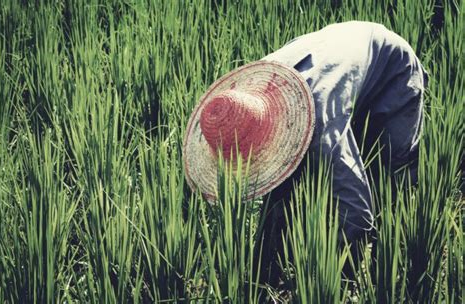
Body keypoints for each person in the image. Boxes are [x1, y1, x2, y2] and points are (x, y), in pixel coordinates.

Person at [183, 21, 428, 284]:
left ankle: (390, 264)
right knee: (289, 179)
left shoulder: (318, 124)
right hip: (335, 50)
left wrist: (330, 285)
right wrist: (261, 278)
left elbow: (356, 214)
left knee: (391, 172)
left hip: (391, 65)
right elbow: (277, 194)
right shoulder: (250, 93)